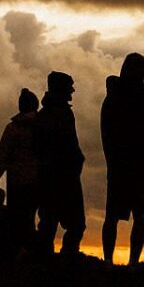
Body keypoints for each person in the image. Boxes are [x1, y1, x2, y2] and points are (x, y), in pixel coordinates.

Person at [99, 53, 144, 266]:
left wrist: (112, 159)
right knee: (140, 217)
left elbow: (106, 133)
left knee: (115, 216)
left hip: (121, 167)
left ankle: (111, 261)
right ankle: (132, 263)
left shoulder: (113, 98)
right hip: (141, 168)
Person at [35, 71, 86, 256]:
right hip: (63, 177)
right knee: (74, 224)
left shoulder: (45, 114)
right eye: (69, 87)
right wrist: (76, 162)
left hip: (54, 176)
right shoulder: (60, 114)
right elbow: (67, 146)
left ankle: (49, 263)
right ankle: (65, 262)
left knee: (49, 224)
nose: (72, 90)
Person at [0, 88, 40, 253]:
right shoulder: (43, 127)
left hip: (17, 180)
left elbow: (3, 155)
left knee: (17, 219)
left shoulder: (13, 128)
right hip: (38, 180)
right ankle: (32, 250)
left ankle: (20, 251)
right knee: (31, 218)